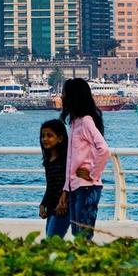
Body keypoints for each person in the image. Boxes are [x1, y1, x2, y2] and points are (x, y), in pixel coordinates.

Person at [58, 77, 109, 239]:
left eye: (64, 93)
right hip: (75, 188)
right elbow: (71, 160)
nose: (62, 97)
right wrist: (66, 190)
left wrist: (92, 175)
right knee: (77, 233)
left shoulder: (86, 122)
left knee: (83, 235)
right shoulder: (74, 123)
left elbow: (104, 149)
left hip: (87, 187)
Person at [37, 117, 70, 237]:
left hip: (63, 207)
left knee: (52, 241)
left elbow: (69, 182)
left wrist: (64, 200)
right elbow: (50, 186)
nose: (45, 139)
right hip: (51, 207)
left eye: (49, 135)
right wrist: (43, 203)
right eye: (43, 136)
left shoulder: (66, 160)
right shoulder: (48, 161)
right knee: (51, 239)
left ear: (60, 138)